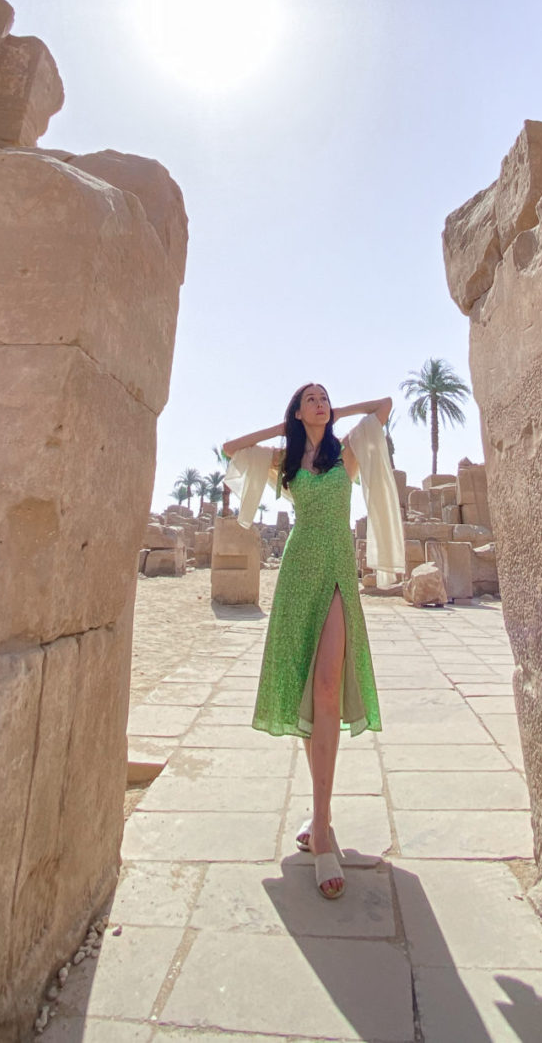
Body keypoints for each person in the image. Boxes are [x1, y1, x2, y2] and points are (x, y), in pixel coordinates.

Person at [221, 385, 404, 901]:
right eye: (311, 399)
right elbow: (231, 448)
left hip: (338, 574)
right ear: (297, 412)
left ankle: (321, 824)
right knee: (311, 691)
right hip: (300, 573)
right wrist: (290, 427)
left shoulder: (346, 452)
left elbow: (384, 407)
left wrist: (331, 418)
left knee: (328, 685)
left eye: (326, 397)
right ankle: (322, 822)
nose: (322, 402)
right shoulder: (284, 461)